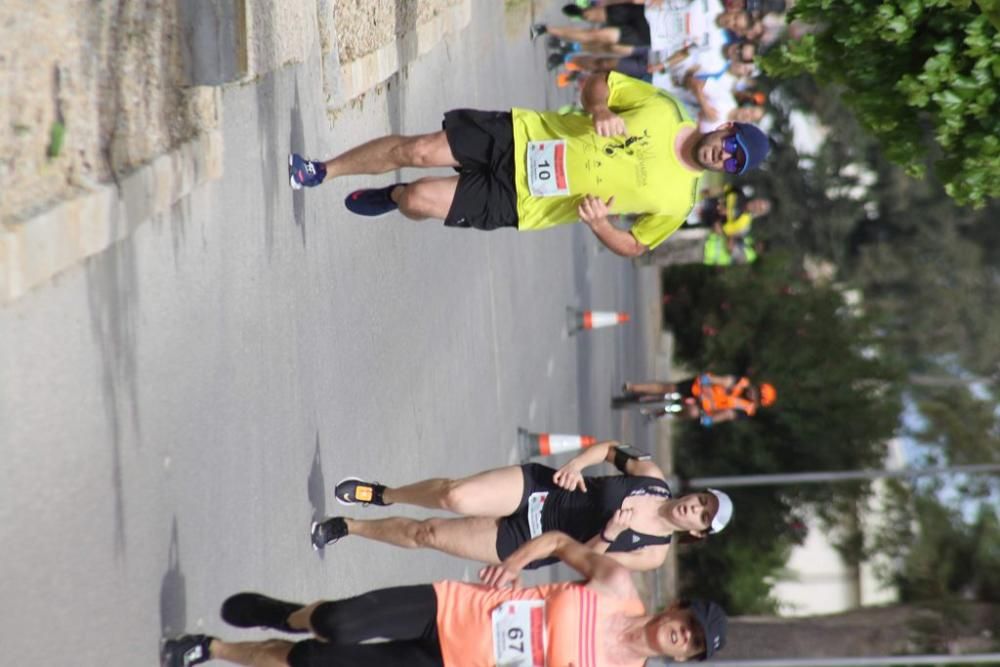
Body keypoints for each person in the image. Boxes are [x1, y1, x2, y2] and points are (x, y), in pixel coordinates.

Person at [288, 71, 771, 257]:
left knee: (417, 196)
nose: (722, 156)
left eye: (732, 164)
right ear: (726, 128)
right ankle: (322, 169)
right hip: (520, 137)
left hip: (527, 201)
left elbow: (634, 245)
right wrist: (600, 109)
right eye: (731, 146)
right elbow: (600, 83)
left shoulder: (678, 200)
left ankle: (393, 197)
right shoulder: (666, 110)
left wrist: (602, 226)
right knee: (415, 151)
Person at [161, 532, 729, 667]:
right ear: (678, 608)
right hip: (456, 608)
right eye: (691, 624)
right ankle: (286, 613)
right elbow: (558, 542)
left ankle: (209, 648)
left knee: (312, 661)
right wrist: (511, 567)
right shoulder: (617, 587)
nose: (686, 636)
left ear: (683, 657)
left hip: (448, 664)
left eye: (694, 646)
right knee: (335, 622)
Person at [310, 440, 734, 571]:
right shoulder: (653, 478)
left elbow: (586, 564)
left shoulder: (652, 553)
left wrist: (610, 535)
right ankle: (386, 494)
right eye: (702, 500)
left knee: (430, 534)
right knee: (453, 495)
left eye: (702, 515)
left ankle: (350, 527)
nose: (694, 508)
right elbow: (607, 450)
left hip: (528, 541)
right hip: (541, 490)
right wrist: (574, 464)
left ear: (698, 531)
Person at [624, 374, 777, 424]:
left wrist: (710, 420)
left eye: (757, 396)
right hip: (700, 388)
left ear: (757, 402)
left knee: (691, 412)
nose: (753, 393)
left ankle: (667, 412)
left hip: (704, 407)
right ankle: (633, 387)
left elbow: (728, 414)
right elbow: (724, 380)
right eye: (756, 390)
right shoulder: (740, 382)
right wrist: (708, 379)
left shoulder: (745, 411)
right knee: (669, 388)